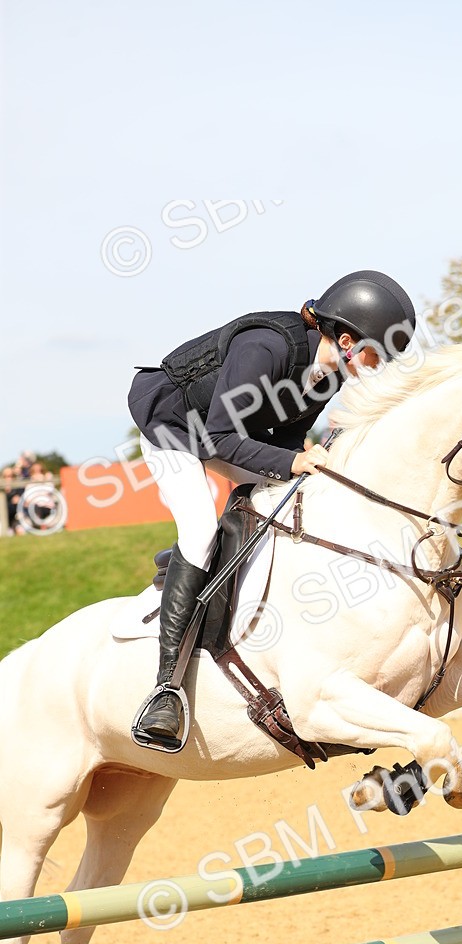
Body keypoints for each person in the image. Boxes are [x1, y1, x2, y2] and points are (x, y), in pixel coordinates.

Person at [128, 269, 416, 747]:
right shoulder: (267, 347)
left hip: (224, 434)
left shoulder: (328, 377)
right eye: (375, 353)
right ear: (346, 340)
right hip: (174, 424)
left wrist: (299, 465)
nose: (378, 365)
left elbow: (280, 437)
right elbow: (221, 437)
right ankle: (166, 689)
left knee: (300, 497)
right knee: (200, 528)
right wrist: (295, 459)